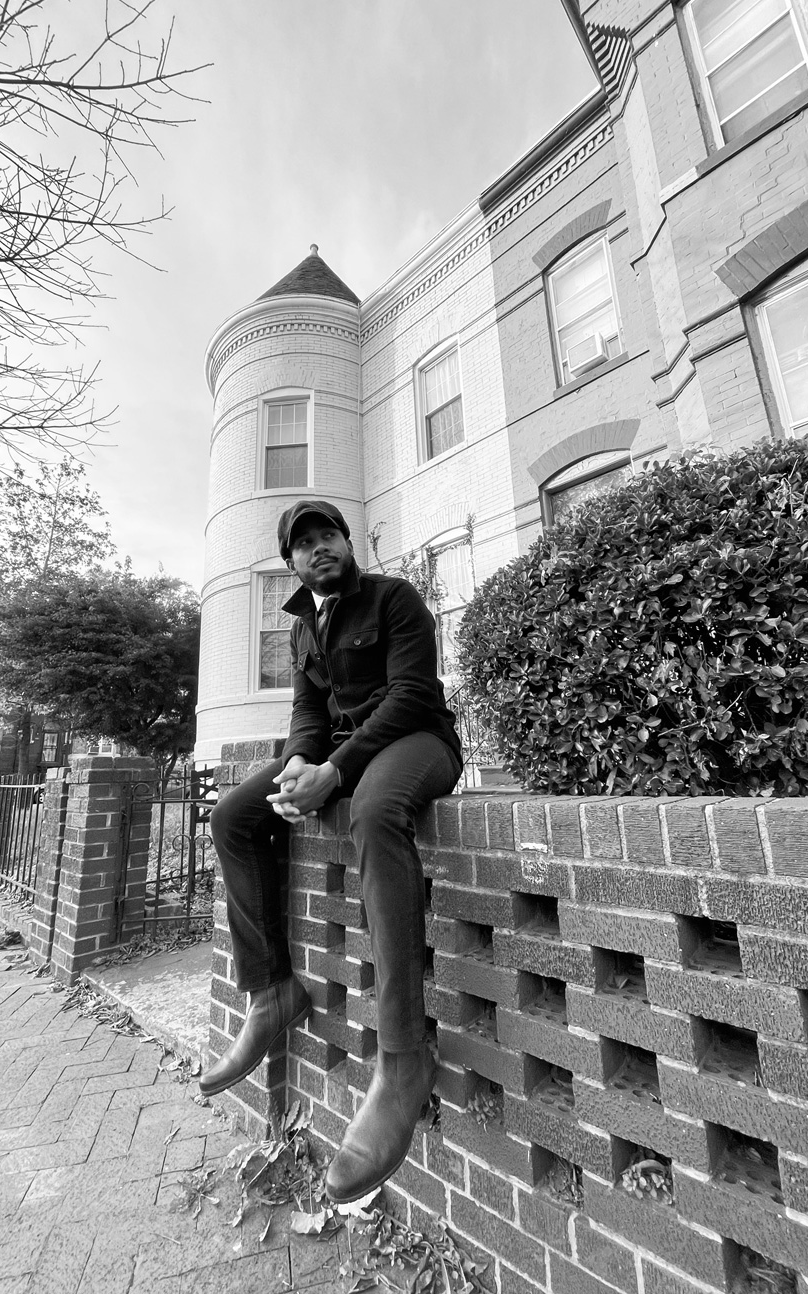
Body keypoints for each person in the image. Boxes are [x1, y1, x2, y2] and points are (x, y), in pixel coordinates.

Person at [203, 499, 463, 1203]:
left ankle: (405, 1058)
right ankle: (272, 990)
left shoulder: (393, 598)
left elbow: (412, 695)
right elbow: (308, 712)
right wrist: (295, 765)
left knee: (375, 815)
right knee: (232, 814)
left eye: (330, 536)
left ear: (348, 544)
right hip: (343, 755)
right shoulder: (302, 628)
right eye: (306, 542)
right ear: (290, 561)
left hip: (417, 743)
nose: (321, 548)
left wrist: (335, 772)